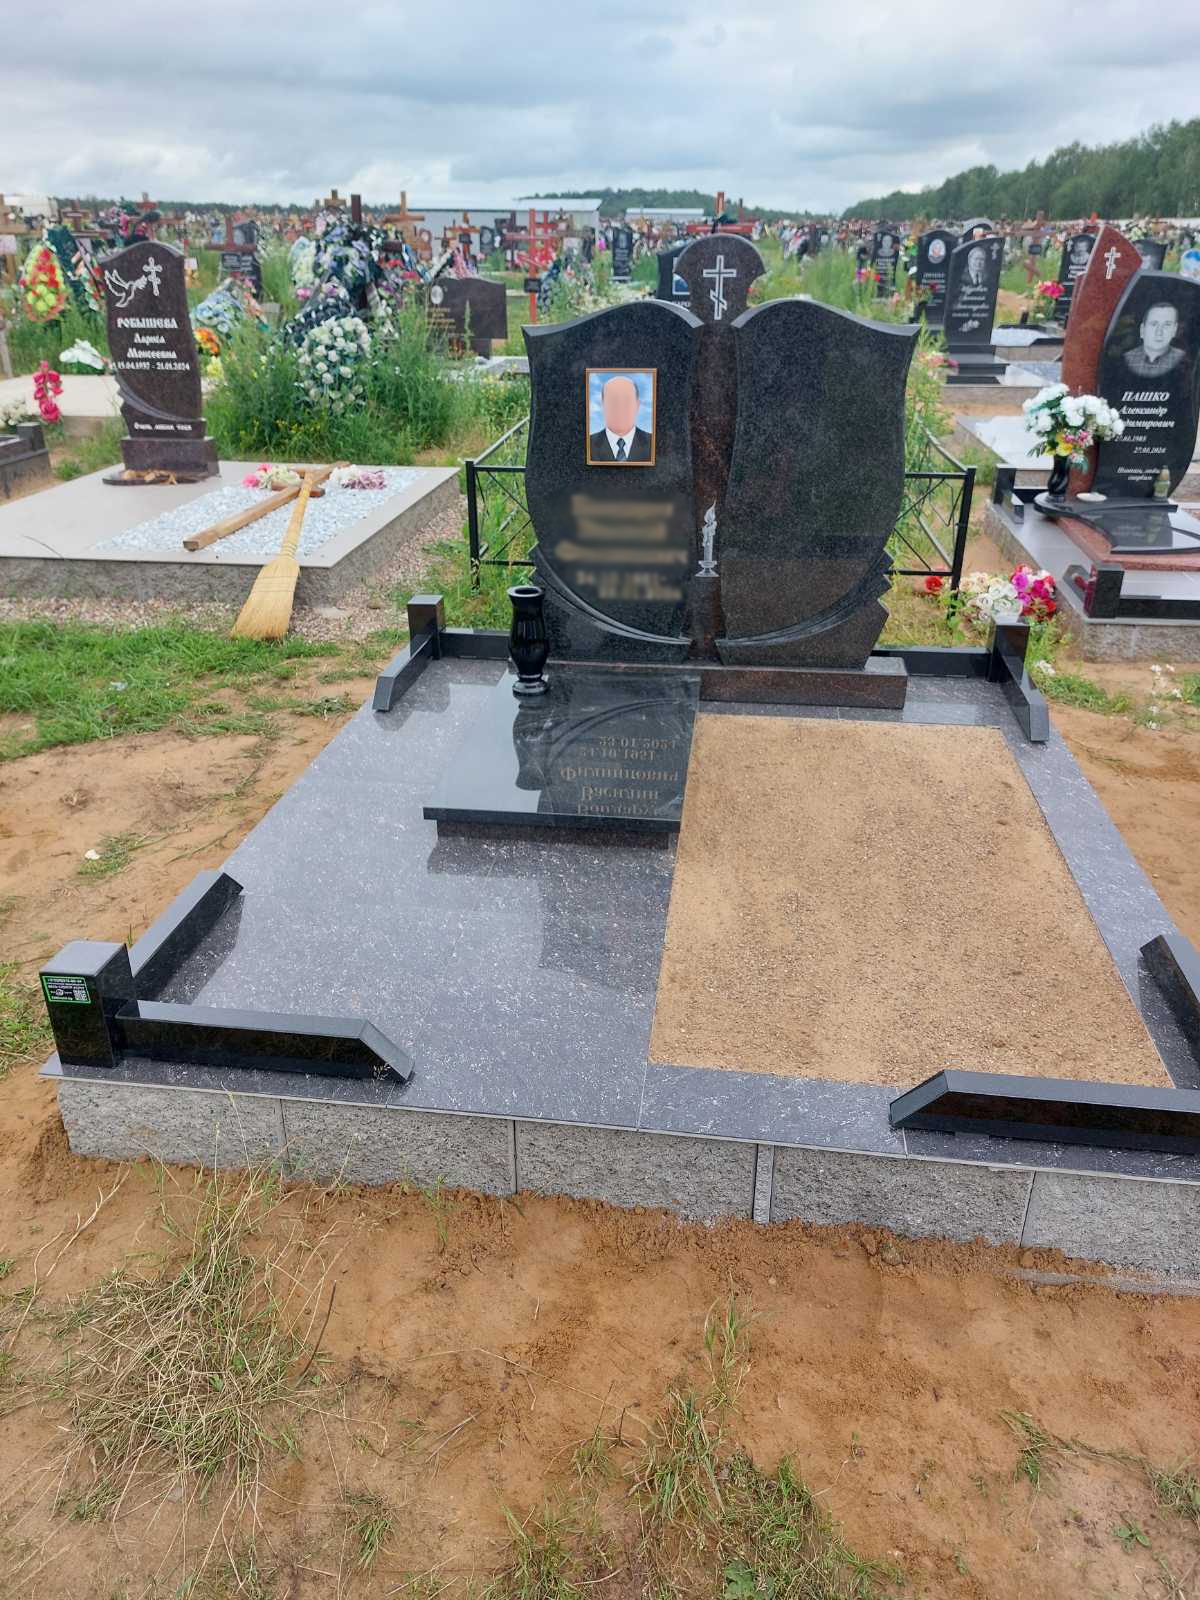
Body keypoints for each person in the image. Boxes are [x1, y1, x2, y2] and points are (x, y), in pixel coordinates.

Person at [588, 374, 652, 463]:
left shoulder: (653, 443)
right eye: (613, 400)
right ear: (602, 405)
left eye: (627, 400)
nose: (620, 408)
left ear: (637, 406)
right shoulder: (587, 444)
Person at [1123, 302, 1186, 377]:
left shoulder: (1181, 349)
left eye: (1182, 329)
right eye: (1154, 324)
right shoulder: (1132, 348)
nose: (1159, 331)